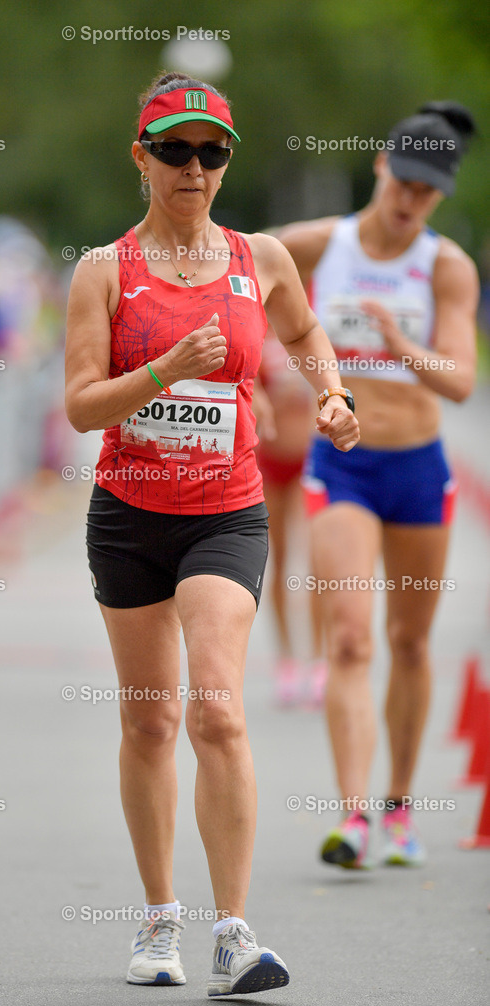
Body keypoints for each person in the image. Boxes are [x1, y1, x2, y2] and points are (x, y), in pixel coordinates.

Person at [64, 71, 359, 996]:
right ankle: (159, 920)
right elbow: (78, 407)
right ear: (141, 157)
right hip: (128, 515)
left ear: (226, 162)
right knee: (149, 720)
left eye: (212, 151)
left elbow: (306, 332)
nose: (194, 168)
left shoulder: (258, 257)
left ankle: (233, 931)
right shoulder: (103, 270)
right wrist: (160, 372)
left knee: (217, 711)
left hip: (224, 513)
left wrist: (331, 392)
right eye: (176, 150)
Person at [277, 102, 479, 869]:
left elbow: (459, 380)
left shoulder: (444, 266)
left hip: (418, 467)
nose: (408, 201)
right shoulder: (314, 245)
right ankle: (353, 815)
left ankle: (398, 807)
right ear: (379, 167)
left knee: (409, 641)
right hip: (342, 465)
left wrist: (401, 344)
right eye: (402, 182)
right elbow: (235, 274)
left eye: (426, 192)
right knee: (353, 637)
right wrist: (261, 365)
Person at [252, 328, 326, 707]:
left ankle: (317, 660)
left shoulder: (312, 329)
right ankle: (286, 661)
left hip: (308, 458)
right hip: (269, 460)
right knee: (277, 559)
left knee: (315, 560)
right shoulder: (257, 330)